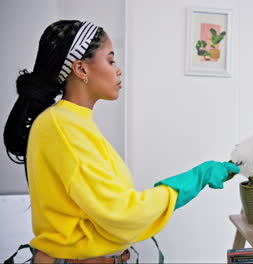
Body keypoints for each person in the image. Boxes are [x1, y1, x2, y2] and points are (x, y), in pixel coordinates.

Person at [3, 20, 239, 263]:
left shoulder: (72, 122)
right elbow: (121, 214)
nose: (118, 70)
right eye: (111, 60)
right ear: (81, 69)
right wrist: (194, 179)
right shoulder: (62, 125)